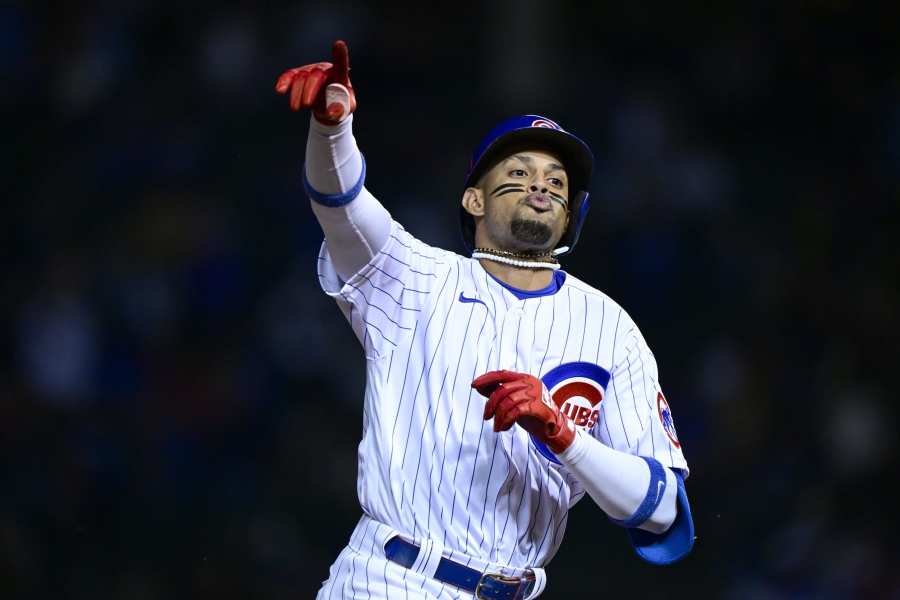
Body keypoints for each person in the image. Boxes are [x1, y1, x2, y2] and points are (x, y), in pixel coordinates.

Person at [275, 40, 695, 600]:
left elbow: (662, 508)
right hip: (392, 579)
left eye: (556, 179)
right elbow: (340, 201)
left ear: (571, 217)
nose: (540, 183)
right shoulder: (414, 276)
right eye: (518, 170)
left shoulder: (610, 327)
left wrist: (564, 436)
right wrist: (332, 128)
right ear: (473, 200)